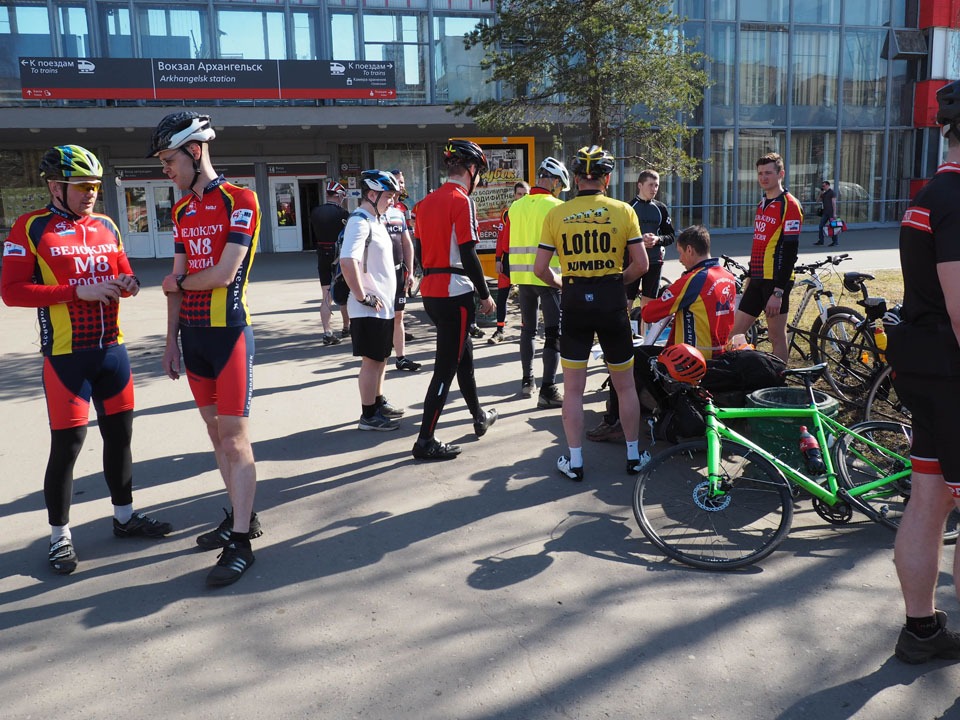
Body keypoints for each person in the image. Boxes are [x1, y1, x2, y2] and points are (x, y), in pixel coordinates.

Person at [0, 144, 171, 575]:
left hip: (113, 351)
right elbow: (12, 292)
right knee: (68, 446)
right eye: (81, 186)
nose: (90, 193)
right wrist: (77, 291)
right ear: (55, 187)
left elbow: (124, 270)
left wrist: (129, 283)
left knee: (120, 438)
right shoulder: (30, 227)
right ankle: (59, 537)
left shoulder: (106, 225)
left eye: (94, 185)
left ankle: (124, 518)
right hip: (66, 357)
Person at [151, 112, 261, 588]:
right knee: (216, 437)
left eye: (169, 160)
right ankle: (242, 515)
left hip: (229, 335)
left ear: (195, 152)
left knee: (235, 439)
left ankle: (241, 543)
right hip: (193, 339)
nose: (165, 170)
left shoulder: (242, 200)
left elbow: (222, 274)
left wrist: (177, 282)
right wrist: (170, 342)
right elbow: (174, 286)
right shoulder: (181, 211)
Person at [886, 78, 960, 664]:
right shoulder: (957, 197)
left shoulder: (930, 193)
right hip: (954, 372)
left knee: (929, 499)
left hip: (926, 367)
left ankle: (921, 630)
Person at [534, 145, 649, 480]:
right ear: (606, 179)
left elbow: (540, 269)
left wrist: (561, 283)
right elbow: (641, 264)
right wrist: (616, 281)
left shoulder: (557, 214)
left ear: (576, 179)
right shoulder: (624, 210)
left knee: (572, 389)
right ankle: (633, 457)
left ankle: (575, 462)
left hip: (574, 302)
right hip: (611, 301)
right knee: (625, 386)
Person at [588, 225, 737, 442]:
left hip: (690, 359)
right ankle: (642, 409)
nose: (680, 260)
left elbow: (649, 314)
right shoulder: (727, 276)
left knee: (631, 357)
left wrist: (656, 299)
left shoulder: (694, 279)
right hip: (718, 356)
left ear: (690, 250)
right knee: (648, 355)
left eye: (680, 253)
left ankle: (616, 422)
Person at [411, 139, 499, 461]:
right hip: (455, 292)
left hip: (432, 291)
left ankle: (478, 416)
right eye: (480, 173)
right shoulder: (462, 200)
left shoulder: (424, 203)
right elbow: (468, 252)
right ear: (472, 169)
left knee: (464, 356)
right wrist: (486, 294)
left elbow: (419, 251)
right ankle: (425, 440)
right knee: (445, 368)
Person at [341, 170, 404, 431]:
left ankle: (377, 403)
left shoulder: (376, 220)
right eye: (388, 196)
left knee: (381, 358)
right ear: (371, 194)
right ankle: (368, 416)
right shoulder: (359, 222)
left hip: (382, 306)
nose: (392, 201)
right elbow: (347, 261)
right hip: (368, 308)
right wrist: (362, 296)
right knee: (371, 361)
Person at [505, 158, 568, 406]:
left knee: (528, 330)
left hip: (522, 278)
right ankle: (548, 389)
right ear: (553, 181)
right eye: (560, 185)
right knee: (553, 333)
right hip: (549, 276)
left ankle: (527, 381)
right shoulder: (557, 207)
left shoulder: (516, 206)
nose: (560, 190)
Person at [729, 152, 802, 362]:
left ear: (781, 174)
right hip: (757, 278)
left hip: (776, 281)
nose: (763, 177)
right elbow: (759, 243)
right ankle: (740, 372)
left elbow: (790, 252)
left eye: (768, 173)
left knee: (776, 336)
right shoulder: (762, 203)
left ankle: (779, 377)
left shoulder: (790, 205)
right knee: (735, 333)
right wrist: (750, 274)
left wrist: (778, 292)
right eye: (760, 173)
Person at [628, 171, 675, 323]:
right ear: (640, 185)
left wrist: (657, 239)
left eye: (656, 185)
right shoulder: (629, 208)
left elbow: (671, 236)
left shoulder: (660, 208)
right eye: (650, 185)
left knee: (647, 307)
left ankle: (644, 336)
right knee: (626, 303)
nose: (654, 189)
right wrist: (638, 240)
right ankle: (624, 334)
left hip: (654, 262)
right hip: (632, 262)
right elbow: (619, 237)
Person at [385, 170, 420, 372]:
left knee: (398, 315)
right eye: (398, 182)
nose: (401, 185)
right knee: (382, 317)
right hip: (380, 276)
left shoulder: (400, 211)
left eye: (402, 182)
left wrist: (411, 271)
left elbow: (407, 243)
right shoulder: (371, 215)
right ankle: (379, 357)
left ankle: (401, 358)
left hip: (399, 272)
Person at [310, 180, 351, 345]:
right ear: (339, 195)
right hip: (339, 257)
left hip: (322, 255)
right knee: (343, 294)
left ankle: (327, 332)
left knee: (326, 295)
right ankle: (346, 327)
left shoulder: (315, 211)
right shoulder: (343, 213)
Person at [489, 181, 530, 345]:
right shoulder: (507, 213)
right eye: (519, 194)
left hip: (526, 259)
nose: (522, 197)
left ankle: (526, 331)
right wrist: (497, 259)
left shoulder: (532, 213)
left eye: (525, 194)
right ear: (514, 195)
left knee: (526, 296)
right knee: (502, 295)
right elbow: (501, 237)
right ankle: (499, 331)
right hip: (507, 258)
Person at [814, 180, 838, 247]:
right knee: (821, 226)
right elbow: (817, 201)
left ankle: (835, 241)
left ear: (828, 185)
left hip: (831, 213)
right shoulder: (824, 194)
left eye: (824, 186)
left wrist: (834, 213)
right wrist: (820, 193)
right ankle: (821, 240)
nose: (823, 187)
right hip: (825, 213)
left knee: (833, 227)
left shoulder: (832, 193)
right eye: (822, 186)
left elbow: (834, 203)